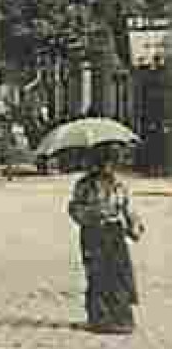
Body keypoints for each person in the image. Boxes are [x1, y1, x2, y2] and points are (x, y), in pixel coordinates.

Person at [67, 143, 144, 334]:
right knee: (97, 274)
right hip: (93, 233)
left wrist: (134, 225)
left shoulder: (119, 185)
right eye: (104, 163)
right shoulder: (85, 185)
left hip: (115, 234)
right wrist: (93, 214)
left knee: (119, 275)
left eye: (111, 163)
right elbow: (75, 209)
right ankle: (98, 317)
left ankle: (121, 318)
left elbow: (128, 209)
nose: (108, 168)